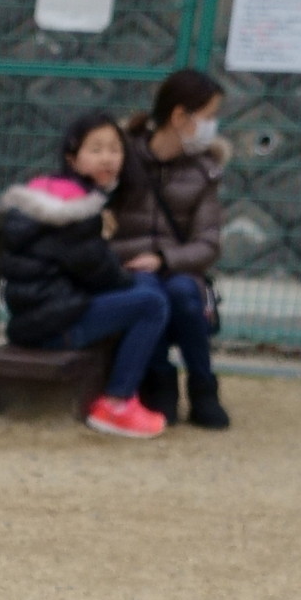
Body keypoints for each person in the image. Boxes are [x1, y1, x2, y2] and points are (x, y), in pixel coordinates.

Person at [0, 113, 169, 440]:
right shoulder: (75, 209)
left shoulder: (53, 192)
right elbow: (101, 273)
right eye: (96, 149)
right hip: (54, 324)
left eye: (115, 149)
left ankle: (133, 392)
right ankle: (117, 403)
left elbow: (90, 266)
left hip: (44, 313)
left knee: (147, 288)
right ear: (72, 158)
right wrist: (127, 274)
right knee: (151, 302)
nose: (108, 158)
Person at [111, 67, 230, 430]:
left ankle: (202, 385)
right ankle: (160, 382)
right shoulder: (121, 159)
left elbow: (208, 243)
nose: (213, 126)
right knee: (150, 293)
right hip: (125, 267)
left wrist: (164, 259)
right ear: (179, 116)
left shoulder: (204, 171)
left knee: (179, 290)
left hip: (177, 271)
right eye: (208, 116)